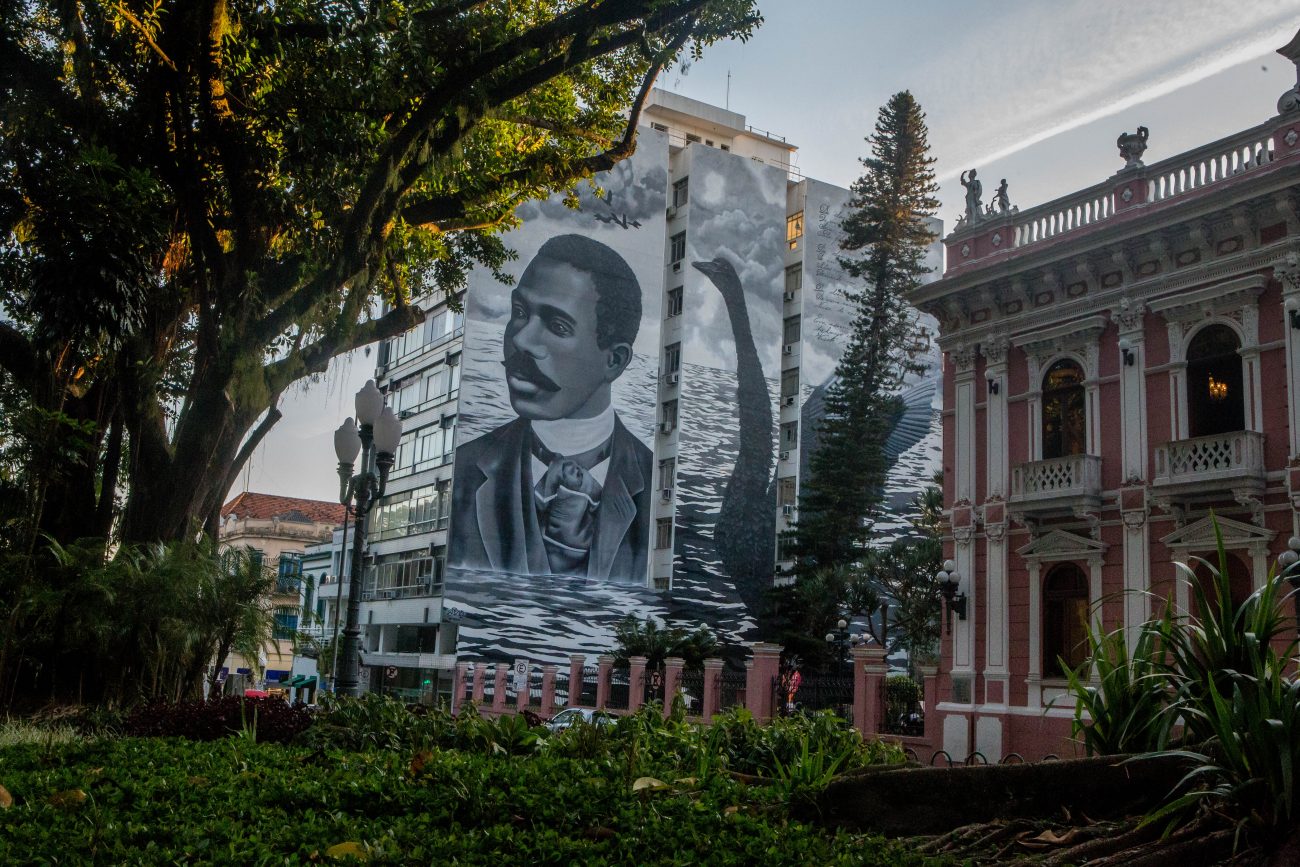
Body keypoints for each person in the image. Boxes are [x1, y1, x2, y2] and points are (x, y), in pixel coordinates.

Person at [450, 234, 652, 581]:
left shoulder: (656, 488)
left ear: (615, 360)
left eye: (558, 326)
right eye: (519, 313)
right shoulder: (466, 469)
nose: (521, 339)